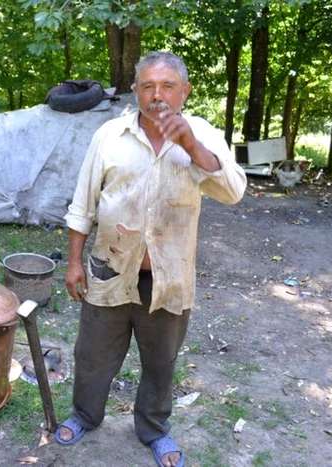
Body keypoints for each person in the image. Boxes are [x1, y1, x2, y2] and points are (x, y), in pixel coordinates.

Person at [56, 51, 247, 467]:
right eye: (147, 86)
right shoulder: (109, 135)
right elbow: (82, 205)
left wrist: (190, 145)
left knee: (161, 362)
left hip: (168, 278)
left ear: (185, 91)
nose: (157, 95)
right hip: (110, 270)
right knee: (92, 355)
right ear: (136, 90)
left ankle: (154, 428)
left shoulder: (203, 135)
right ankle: (85, 415)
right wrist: (73, 262)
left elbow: (233, 192)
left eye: (167, 86)